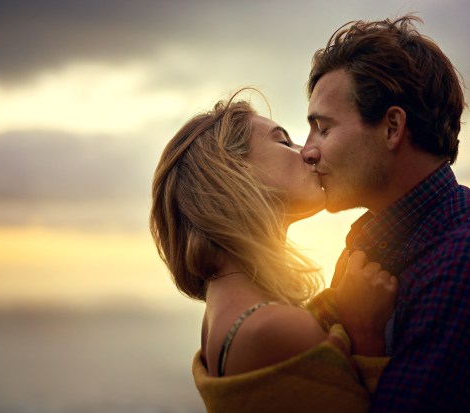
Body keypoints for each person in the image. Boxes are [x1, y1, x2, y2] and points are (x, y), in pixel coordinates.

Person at [300, 15, 470, 412]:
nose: (308, 150)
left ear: (392, 127)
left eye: (323, 128)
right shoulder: (376, 243)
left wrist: (365, 337)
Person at [149, 91, 398, 413]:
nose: (308, 152)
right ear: (233, 170)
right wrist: (366, 337)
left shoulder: (223, 310)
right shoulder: (275, 329)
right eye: (283, 142)